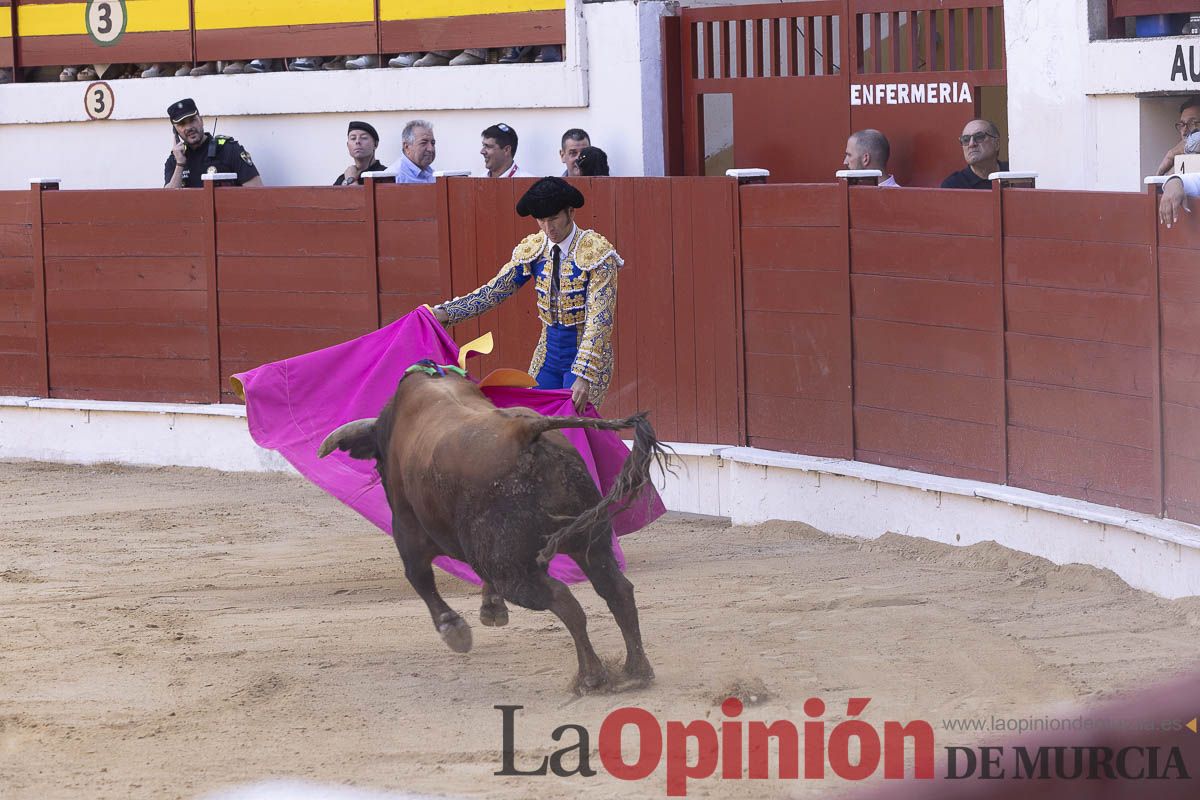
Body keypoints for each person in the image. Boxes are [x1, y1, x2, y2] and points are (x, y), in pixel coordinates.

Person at [431, 177, 623, 412]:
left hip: (586, 358)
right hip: (548, 356)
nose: (547, 228)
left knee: (571, 432)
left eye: (553, 219)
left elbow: (599, 321)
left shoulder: (598, 254)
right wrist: (444, 313)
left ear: (571, 213)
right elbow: (494, 291)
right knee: (534, 426)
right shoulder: (535, 249)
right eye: (541, 220)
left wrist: (584, 374)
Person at [163, 98, 262, 189]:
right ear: (175, 131)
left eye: (192, 120)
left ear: (201, 121)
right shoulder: (174, 160)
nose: (189, 127)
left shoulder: (229, 150)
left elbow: (257, 192)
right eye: (182, 124)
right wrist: (180, 164)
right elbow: (170, 201)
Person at [940, 119, 1007, 189]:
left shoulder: (1013, 174)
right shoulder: (953, 186)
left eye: (979, 137)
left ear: (996, 144)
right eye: (966, 139)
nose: (971, 144)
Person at [1156, 97, 1200, 176]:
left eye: (1193, 123)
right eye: (1182, 124)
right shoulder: (1178, 162)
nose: (1185, 130)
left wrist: (1173, 153)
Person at [334, 121, 385, 186]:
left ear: (375, 144)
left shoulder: (384, 175)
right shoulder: (342, 179)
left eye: (364, 138)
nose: (357, 141)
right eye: (353, 138)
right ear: (347, 145)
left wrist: (351, 180)